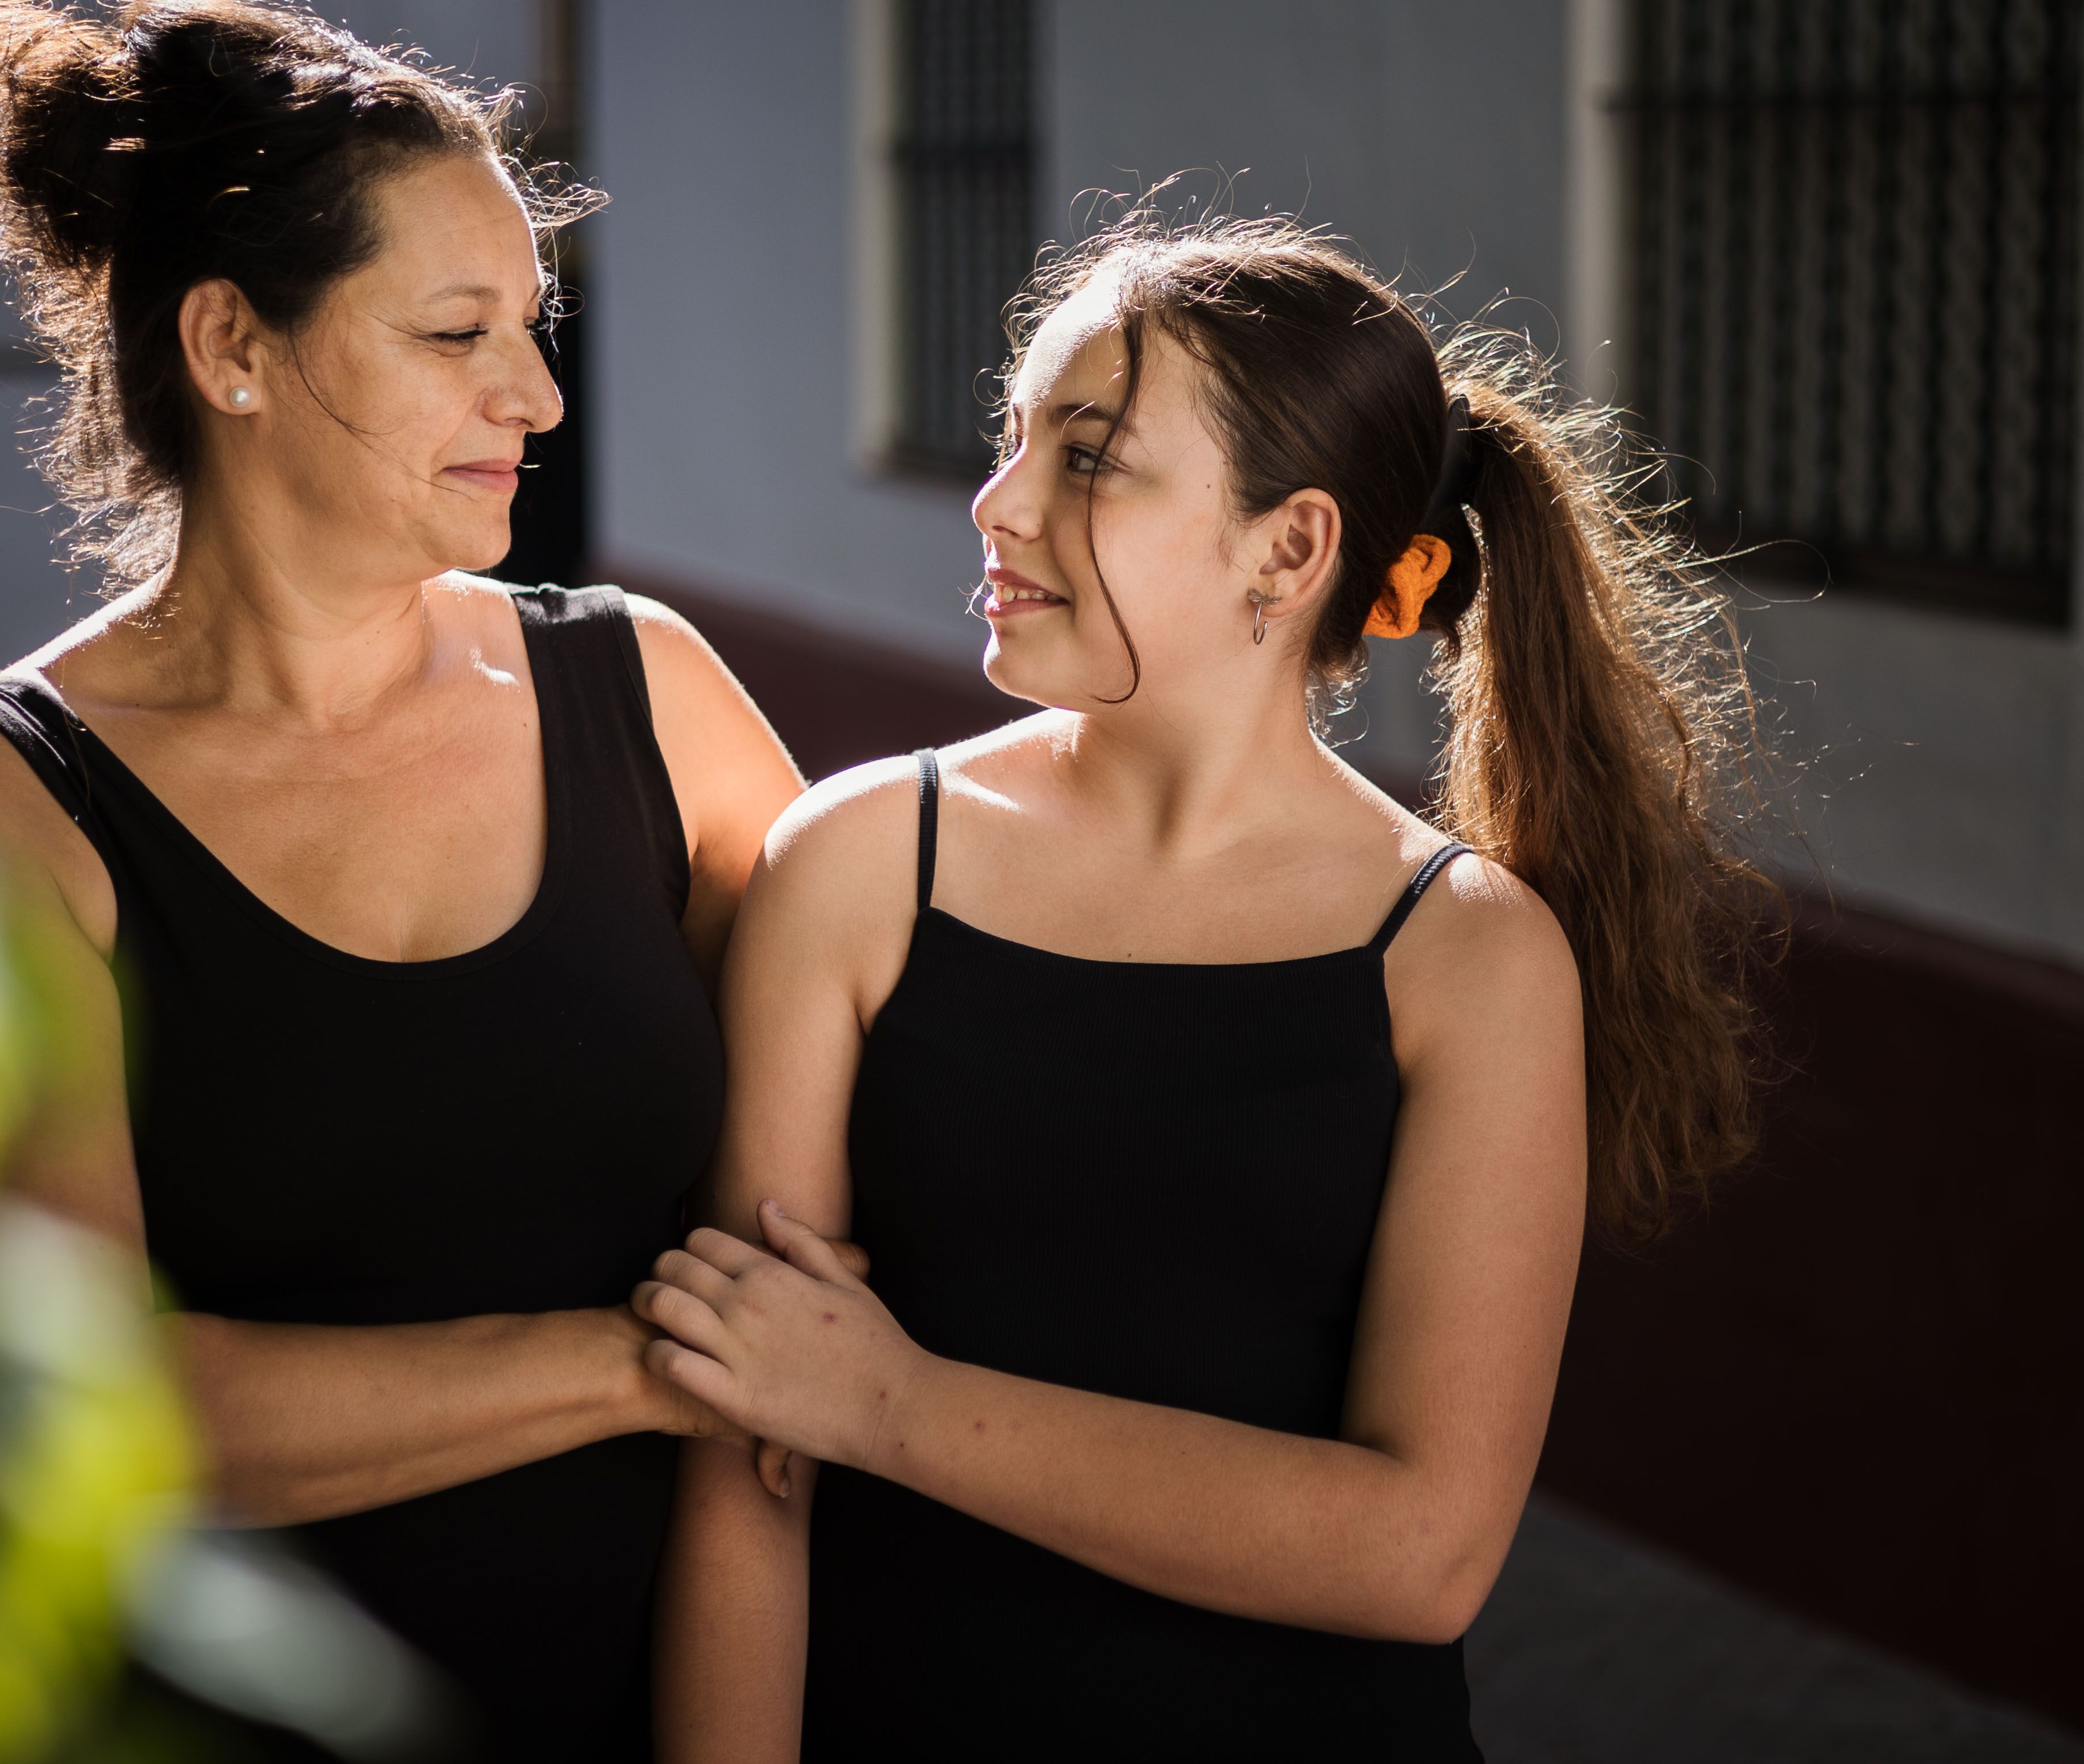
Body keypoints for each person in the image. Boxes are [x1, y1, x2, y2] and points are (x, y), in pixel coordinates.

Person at [639, 218, 1770, 1761]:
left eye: (1089, 459)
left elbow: (1421, 1553)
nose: (998, 504)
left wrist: (889, 1407)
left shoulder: (1470, 958)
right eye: (1012, 439)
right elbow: (742, 1445)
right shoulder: (854, 860)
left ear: (1291, 550)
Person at [0, 0, 802, 1761]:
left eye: (535, 325)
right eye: (456, 336)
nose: (533, 392)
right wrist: (642, 1363)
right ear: (233, 350)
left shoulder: (648, 690)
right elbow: (95, 1406)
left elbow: (874, 1107)